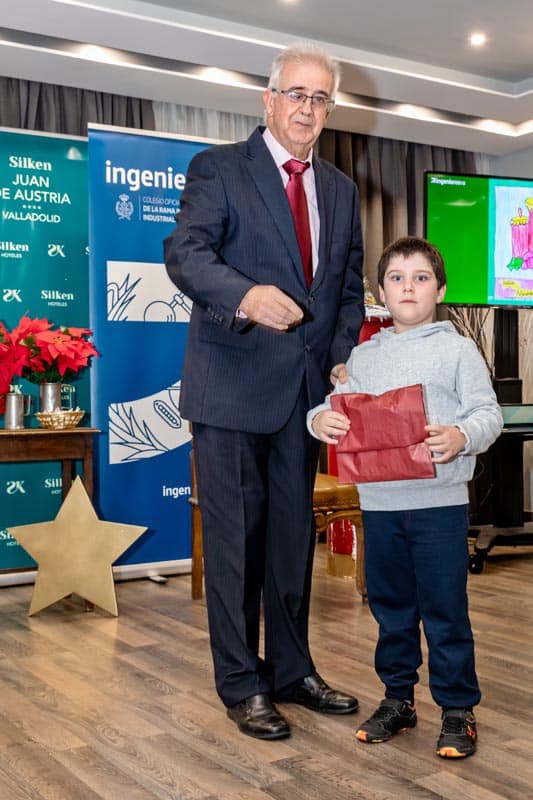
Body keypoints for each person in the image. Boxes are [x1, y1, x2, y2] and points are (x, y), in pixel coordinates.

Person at [164, 42, 364, 740]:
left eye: (320, 98)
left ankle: (290, 671)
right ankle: (242, 682)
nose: (308, 108)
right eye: (296, 94)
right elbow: (185, 254)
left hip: (303, 398)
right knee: (235, 545)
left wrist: (341, 359)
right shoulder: (220, 168)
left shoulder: (340, 189)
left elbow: (345, 288)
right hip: (229, 391)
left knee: (290, 543)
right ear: (269, 99)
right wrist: (246, 296)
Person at [308, 236, 503, 758]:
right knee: (391, 609)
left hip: (440, 504)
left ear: (440, 289)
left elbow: (488, 414)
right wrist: (318, 420)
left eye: (420, 277)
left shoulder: (458, 350)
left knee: (445, 610)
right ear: (380, 291)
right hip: (380, 506)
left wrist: (462, 435)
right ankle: (398, 700)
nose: (408, 287)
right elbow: (332, 406)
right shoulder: (362, 356)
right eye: (396, 278)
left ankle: (457, 709)